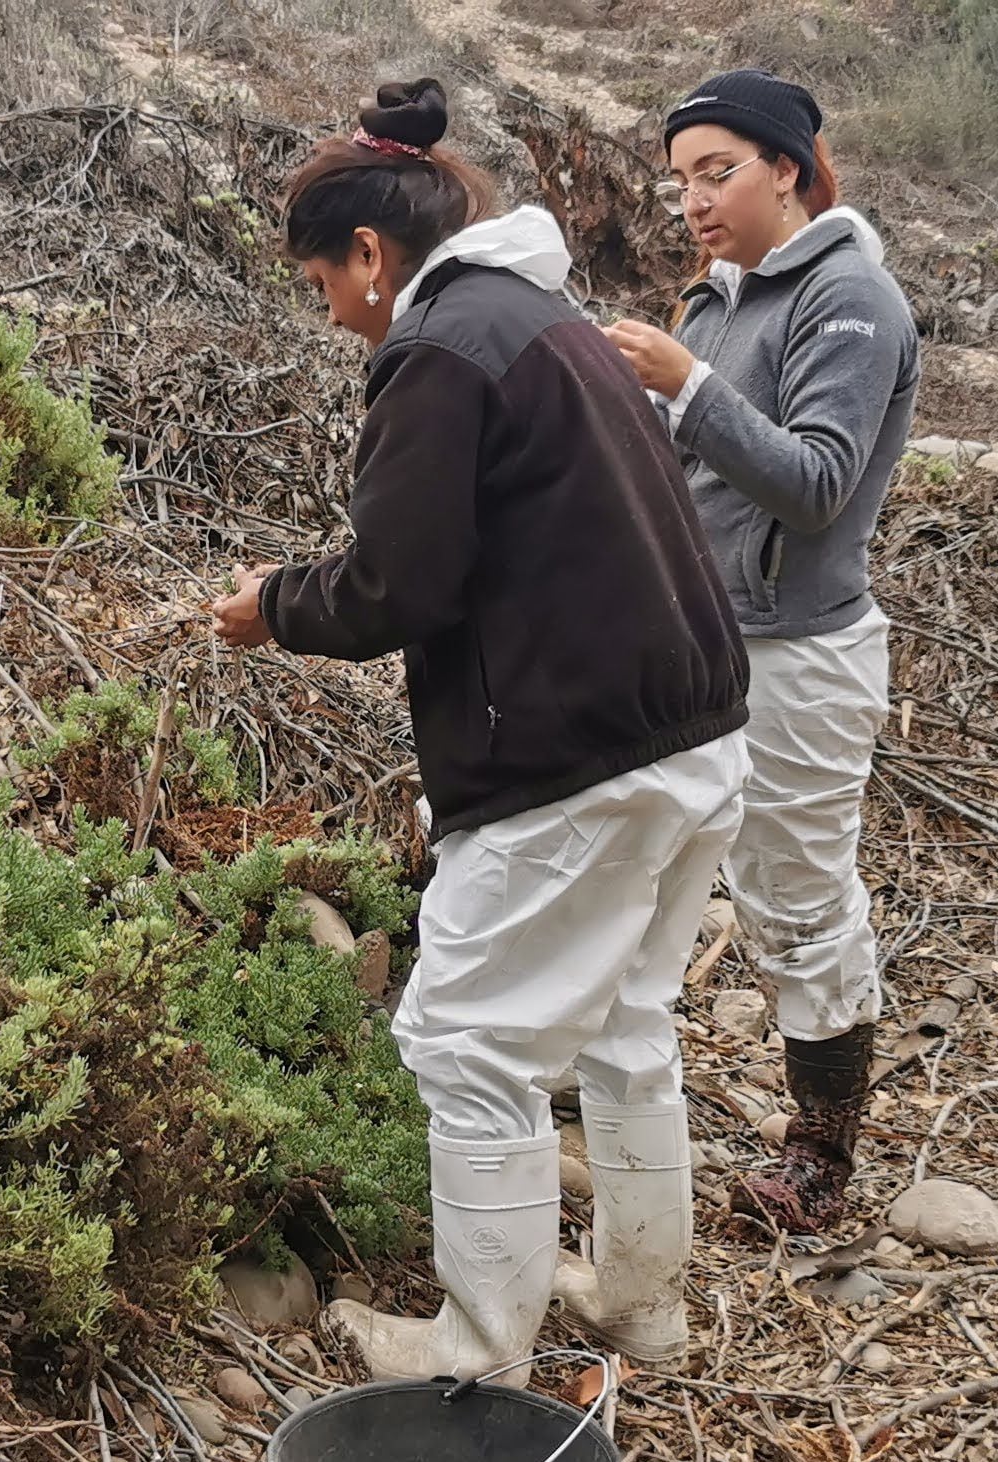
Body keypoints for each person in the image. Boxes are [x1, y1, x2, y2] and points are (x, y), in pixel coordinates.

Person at [210, 81, 749, 1376]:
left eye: (322, 282)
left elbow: (404, 580)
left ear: (373, 254)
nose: (330, 311)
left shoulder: (440, 348)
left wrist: (271, 607)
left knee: (467, 1041)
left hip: (575, 757)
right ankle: (639, 1302)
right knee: (624, 1019)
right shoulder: (541, 319)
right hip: (692, 727)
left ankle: (479, 1348)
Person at [601, 70, 918, 1233]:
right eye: (680, 178)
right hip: (696, 638)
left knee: (796, 899)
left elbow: (820, 485)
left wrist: (685, 387)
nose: (692, 200)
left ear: (788, 168)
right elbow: (679, 473)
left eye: (718, 171)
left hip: (804, 659)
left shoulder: (854, 299)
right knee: (633, 861)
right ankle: (598, 1100)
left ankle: (823, 1156)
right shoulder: (715, 302)